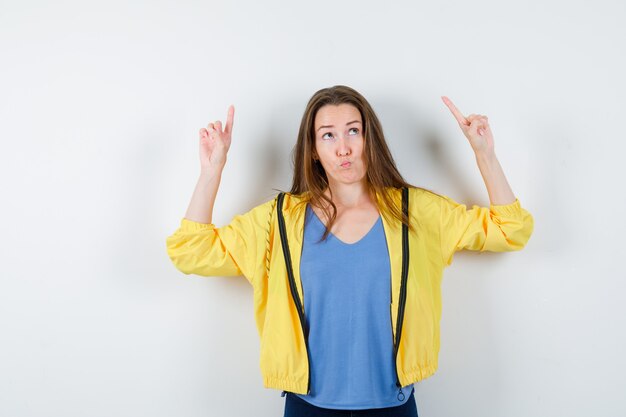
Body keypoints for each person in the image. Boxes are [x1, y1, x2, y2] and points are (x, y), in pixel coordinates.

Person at [165, 85, 534, 416]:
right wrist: (212, 170)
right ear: (312, 150)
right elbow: (189, 250)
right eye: (328, 135)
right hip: (307, 406)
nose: (343, 147)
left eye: (353, 131)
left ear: (369, 139)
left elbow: (510, 230)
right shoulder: (278, 221)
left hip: (394, 405)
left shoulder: (416, 212)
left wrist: (484, 154)